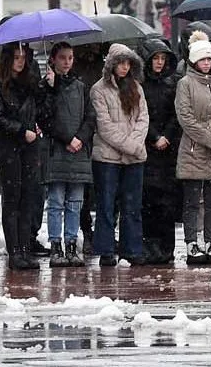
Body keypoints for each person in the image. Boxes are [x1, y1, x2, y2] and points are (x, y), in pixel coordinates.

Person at [91, 43, 149, 267]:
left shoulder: (136, 88)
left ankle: (132, 249)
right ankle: (106, 250)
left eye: (128, 63)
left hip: (134, 158)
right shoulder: (98, 90)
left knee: (132, 205)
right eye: (120, 63)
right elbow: (105, 127)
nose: (124, 68)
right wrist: (131, 145)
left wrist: (134, 144)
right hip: (107, 157)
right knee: (106, 205)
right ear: (112, 65)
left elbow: (143, 118)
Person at [176, 38, 211, 266]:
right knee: (192, 200)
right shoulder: (185, 84)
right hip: (194, 149)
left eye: (209, 58)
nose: (206, 63)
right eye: (202, 59)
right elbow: (185, 117)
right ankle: (191, 242)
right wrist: (210, 139)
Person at [0, 42, 44, 270]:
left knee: (28, 198)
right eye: (16, 57)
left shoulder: (31, 84)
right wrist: (22, 131)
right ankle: (14, 252)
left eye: (23, 57)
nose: (20, 61)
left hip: (30, 148)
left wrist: (48, 87)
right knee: (12, 200)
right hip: (10, 148)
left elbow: (43, 110)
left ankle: (25, 248)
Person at [41, 41, 94, 268]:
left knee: (75, 202)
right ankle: (56, 245)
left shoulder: (81, 86)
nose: (67, 62)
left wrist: (80, 138)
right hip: (57, 152)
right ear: (53, 59)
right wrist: (67, 138)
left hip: (78, 152)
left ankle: (72, 244)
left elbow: (90, 117)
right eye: (62, 57)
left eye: (70, 58)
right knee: (56, 202)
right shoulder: (46, 86)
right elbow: (46, 117)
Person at [139, 42, 182, 264]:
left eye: (162, 59)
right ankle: (150, 245)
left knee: (166, 203)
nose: (159, 62)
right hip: (148, 148)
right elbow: (140, 115)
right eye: (155, 58)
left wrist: (166, 136)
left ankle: (166, 247)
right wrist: (155, 136)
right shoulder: (141, 86)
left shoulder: (171, 85)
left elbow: (177, 114)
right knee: (148, 202)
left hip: (168, 151)